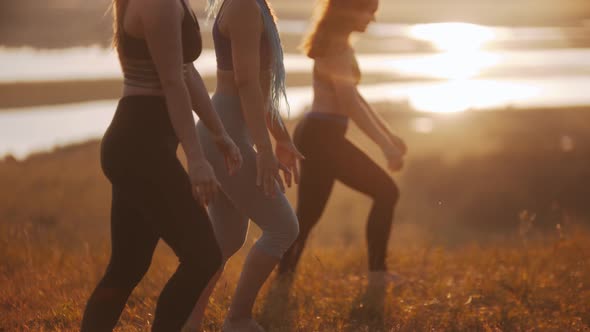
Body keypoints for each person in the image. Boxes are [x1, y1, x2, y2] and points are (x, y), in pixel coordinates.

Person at [80, 0, 243, 330]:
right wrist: (196, 159)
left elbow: (186, 71)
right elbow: (172, 82)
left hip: (141, 146)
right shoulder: (159, 3)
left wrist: (219, 133)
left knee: (128, 265)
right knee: (203, 257)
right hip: (138, 145)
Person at [183, 0, 303, 331]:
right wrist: (264, 150)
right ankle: (238, 319)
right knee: (283, 228)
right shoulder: (245, 6)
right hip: (225, 137)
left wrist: (281, 138)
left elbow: (259, 90)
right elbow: (247, 83)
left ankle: (188, 321)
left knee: (227, 237)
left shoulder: (252, 5)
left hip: (226, 133)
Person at [277, 0, 408, 287]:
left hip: (321, 134)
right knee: (387, 192)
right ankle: (377, 275)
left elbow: (355, 98)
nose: (372, 20)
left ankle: (283, 278)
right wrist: (385, 147)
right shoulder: (337, 48)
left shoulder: (340, 44)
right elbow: (349, 104)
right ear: (349, 9)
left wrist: (389, 134)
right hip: (322, 137)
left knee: (308, 216)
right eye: (369, 12)